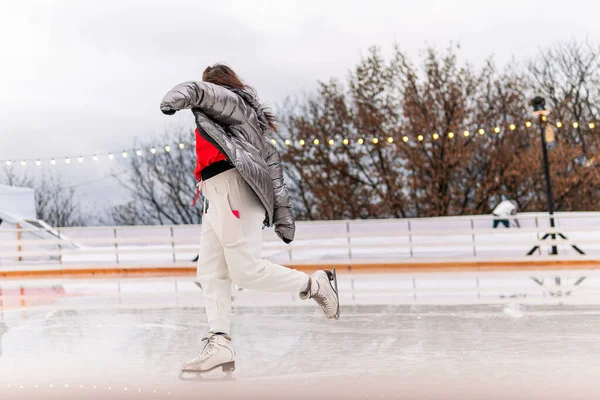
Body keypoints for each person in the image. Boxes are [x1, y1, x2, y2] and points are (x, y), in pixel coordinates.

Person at [160, 64, 339, 376]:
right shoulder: (239, 118)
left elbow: (198, 91)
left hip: (232, 192)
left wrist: (174, 100)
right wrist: (282, 215)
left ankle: (314, 284)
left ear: (218, 85)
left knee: (246, 272)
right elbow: (272, 168)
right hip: (215, 195)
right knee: (211, 273)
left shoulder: (231, 102)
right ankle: (220, 345)